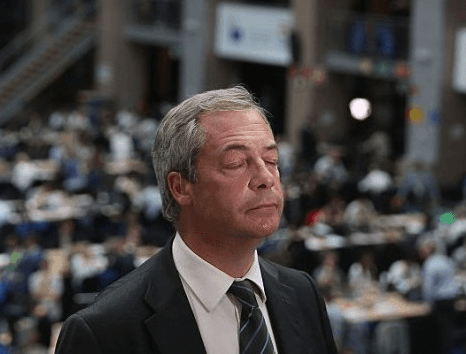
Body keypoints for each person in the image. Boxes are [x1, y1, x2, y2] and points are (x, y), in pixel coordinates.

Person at [54, 86, 338, 354]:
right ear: (180, 187)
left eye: (272, 161)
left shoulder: (302, 294)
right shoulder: (103, 332)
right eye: (236, 164)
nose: (266, 178)